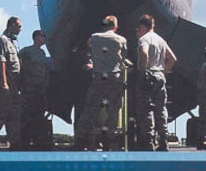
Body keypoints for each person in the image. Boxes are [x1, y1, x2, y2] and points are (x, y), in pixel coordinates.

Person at [75, 15, 129, 150]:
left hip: (98, 76)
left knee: (91, 108)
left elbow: (89, 47)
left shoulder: (94, 37)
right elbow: (123, 57)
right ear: (115, 26)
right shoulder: (121, 40)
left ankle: (81, 138)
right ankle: (110, 140)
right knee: (113, 110)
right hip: (114, 78)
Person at [131, 14, 178, 151]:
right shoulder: (161, 40)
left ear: (142, 26)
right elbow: (173, 59)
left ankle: (148, 142)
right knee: (161, 109)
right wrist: (163, 72)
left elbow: (144, 53)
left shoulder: (143, 39)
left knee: (146, 110)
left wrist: (142, 70)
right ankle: (163, 142)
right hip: (159, 76)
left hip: (148, 75)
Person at [0, 17, 24, 149]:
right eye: (19, 26)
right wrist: (4, 83)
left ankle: (15, 142)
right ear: (11, 25)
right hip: (5, 86)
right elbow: (1, 62)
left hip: (14, 86)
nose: (20, 29)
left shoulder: (13, 43)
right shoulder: (2, 41)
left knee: (13, 115)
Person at [19, 29, 55, 150]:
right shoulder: (26, 51)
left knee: (38, 115)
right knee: (26, 115)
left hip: (40, 89)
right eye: (42, 36)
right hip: (29, 88)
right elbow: (19, 68)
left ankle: (38, 140)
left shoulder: (42, 53)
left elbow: (45, 71)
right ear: (36, 37)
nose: (45, 38)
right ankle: (24, 141)